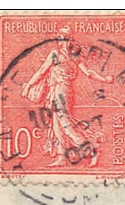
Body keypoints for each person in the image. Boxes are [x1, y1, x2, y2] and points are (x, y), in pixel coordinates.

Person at [20, 26, 113, 167]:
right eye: (60, 36)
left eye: (63, 36)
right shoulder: (71, 56)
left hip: (61, 90)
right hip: (59, 90)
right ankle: (61, 156)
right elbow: (88, 72)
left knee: (65, 124)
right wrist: (104, 79)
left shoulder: (57, 55)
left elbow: (41, 73)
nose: (61, 39)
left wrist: (28, 86)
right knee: (57, 126)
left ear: (68, 39)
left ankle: (92, 150)